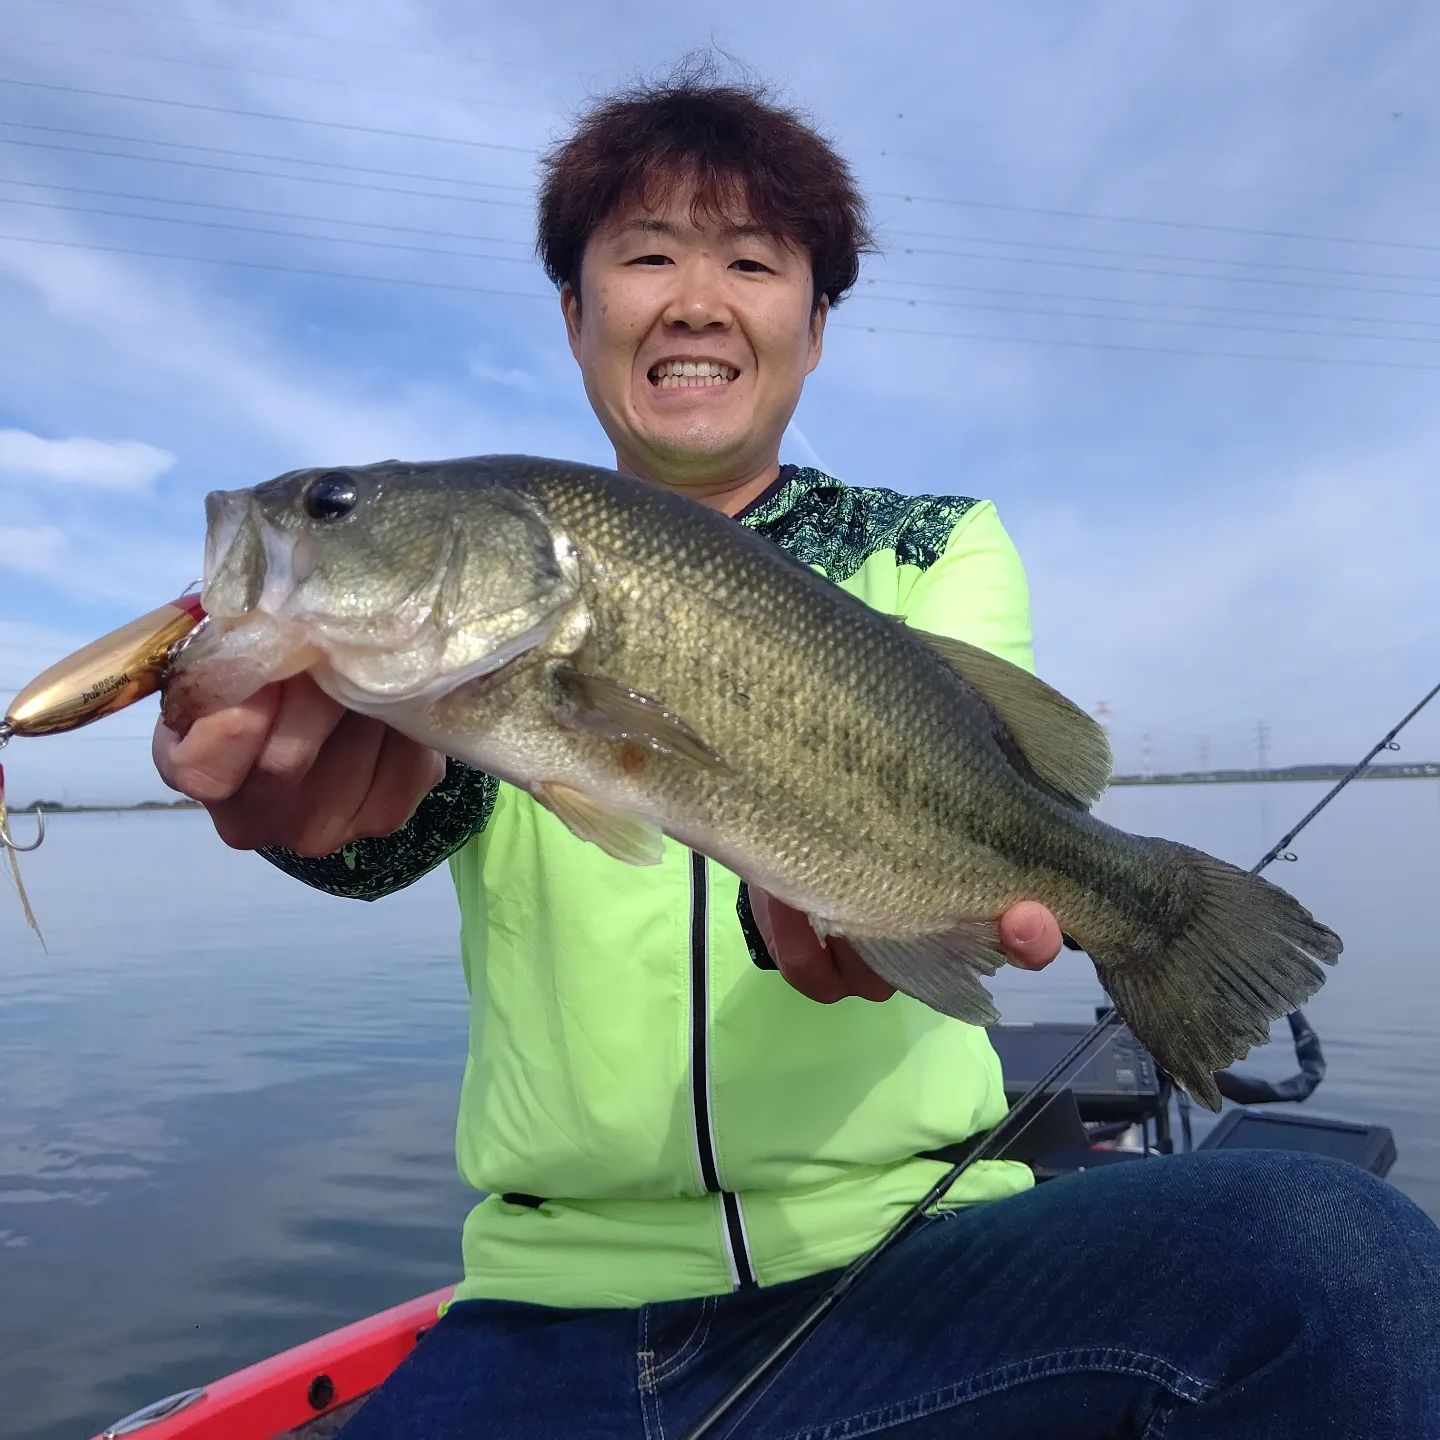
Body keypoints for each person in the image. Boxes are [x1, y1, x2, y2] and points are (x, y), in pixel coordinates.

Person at [154, 64, 1440, 1440]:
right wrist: (302, 816)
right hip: (547, 1305)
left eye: (754, 263)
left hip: (916, 1261)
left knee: (1335, 1255)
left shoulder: (930, 547)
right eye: (647, 255)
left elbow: (986, 787)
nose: (697, 300)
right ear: (576, 315)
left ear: (815, 325)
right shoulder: (460, 668)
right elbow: (387, 826)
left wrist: (846, 914)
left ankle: (1161, 921)